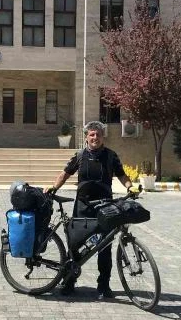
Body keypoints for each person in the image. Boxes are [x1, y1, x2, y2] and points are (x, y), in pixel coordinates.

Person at [45, 120, 135, 299]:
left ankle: (104, 286)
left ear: (103, 137)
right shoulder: (80, 155)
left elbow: (122, 175)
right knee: (76, 245)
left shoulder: (111, 156)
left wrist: (130, 187)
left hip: (106, 207)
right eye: (92, 134)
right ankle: (69, 281)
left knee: (105, 247)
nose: (95, 137)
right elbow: (65, 174)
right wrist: (54, 187)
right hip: (83, 206)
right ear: (86, 137)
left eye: (98, 134)